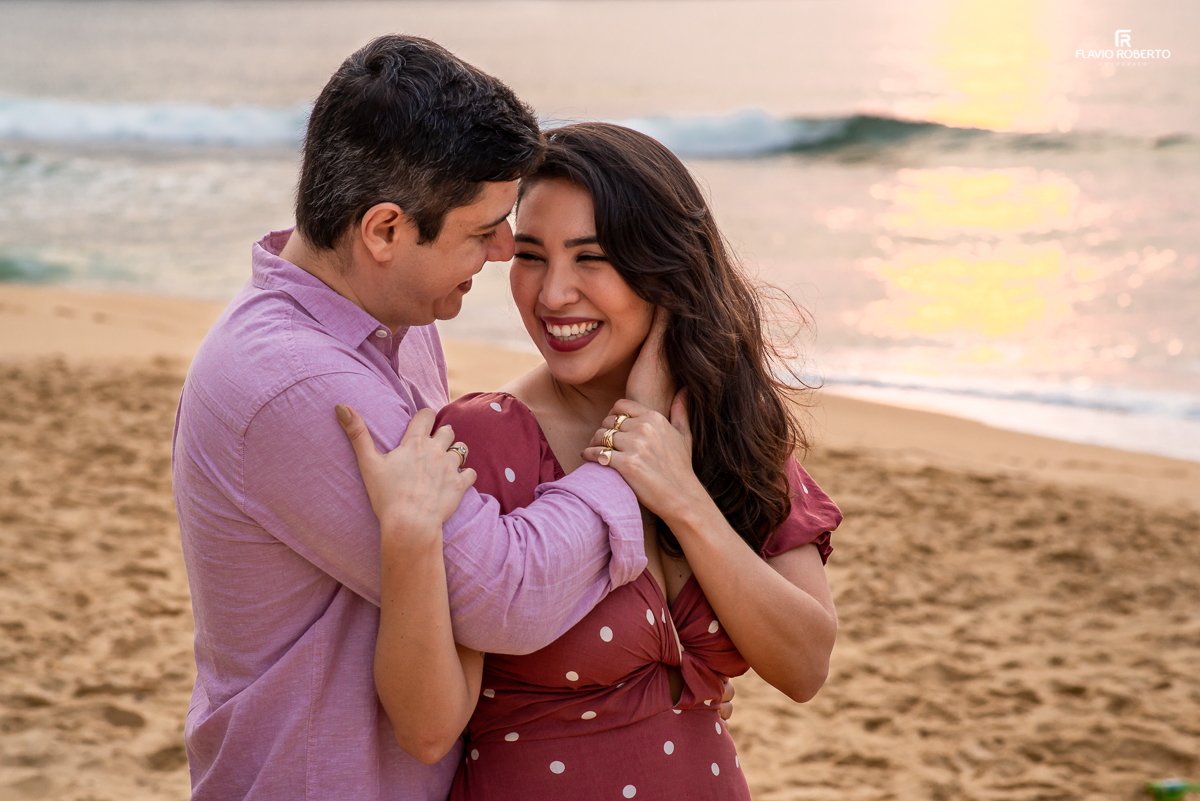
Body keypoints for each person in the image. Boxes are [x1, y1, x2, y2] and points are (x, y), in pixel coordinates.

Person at [171, 37, 664, 801]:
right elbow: (504, 591)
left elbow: (459, 545)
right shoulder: (295, 383)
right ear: (386, 231)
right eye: (482, 229)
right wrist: (635, 450)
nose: (506, 251)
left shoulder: (397, 321)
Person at [341, 123, 842, 800]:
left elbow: (806, 663)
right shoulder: (484, 440)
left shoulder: (732, 425)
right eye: (530, 255)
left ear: (663, 266)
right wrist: (407, 536)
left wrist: (683, 498)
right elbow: (428, 728)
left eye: (591, 257)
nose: (552, 295)